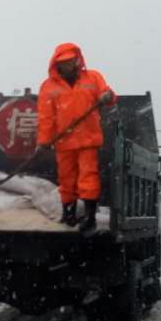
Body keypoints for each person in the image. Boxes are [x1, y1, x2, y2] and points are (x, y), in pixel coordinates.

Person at [37, 42, 115, 235]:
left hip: (88, 140)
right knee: (66, 180)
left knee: (88, 178)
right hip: (64, 143)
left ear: (77, 60)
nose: (68, 65)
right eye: (63, 62)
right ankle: (68, 213)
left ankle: (89, 217)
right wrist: (44, 141)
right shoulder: (48, 87)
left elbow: (108, 94)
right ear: (56, 64)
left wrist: (107, 95)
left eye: (71, 61)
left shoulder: (93, 78)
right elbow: (46, 118)